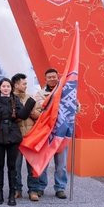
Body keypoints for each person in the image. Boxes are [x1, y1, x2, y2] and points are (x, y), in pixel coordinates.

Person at [0, 78, 36, 205]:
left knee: (12, 166)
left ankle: (12, 194)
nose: (6, 88)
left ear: (11, 88)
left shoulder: (15, 100)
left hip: (13, 135)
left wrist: (30, 103)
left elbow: (22, 115)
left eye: (8, 86)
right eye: (3, 86)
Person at [32, 68, 68, 199]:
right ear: (45, 79)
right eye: (49, 77)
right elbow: (36, 111)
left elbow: (76, 109)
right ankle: (40, 187)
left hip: (61, 133)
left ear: (58, 77)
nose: (52, 79)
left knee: (61, 165)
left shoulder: (66, 92)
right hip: (45, 134)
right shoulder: (39, 94)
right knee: (43, 162)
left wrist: (75, 106)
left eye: (54, 77)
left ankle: (60, 188)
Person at [12, 73, 41, 201]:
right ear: (16, 85)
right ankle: (17, 189)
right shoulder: (10, 99)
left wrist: (31, 112)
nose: (25, 86)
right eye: (23, 84)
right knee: (15, 166)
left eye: (26, 84)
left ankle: (33, 190)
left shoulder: (31, 98)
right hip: (15, 137)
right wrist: (20, 115)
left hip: (31, 137)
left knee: (32, 166)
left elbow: (39, 115)